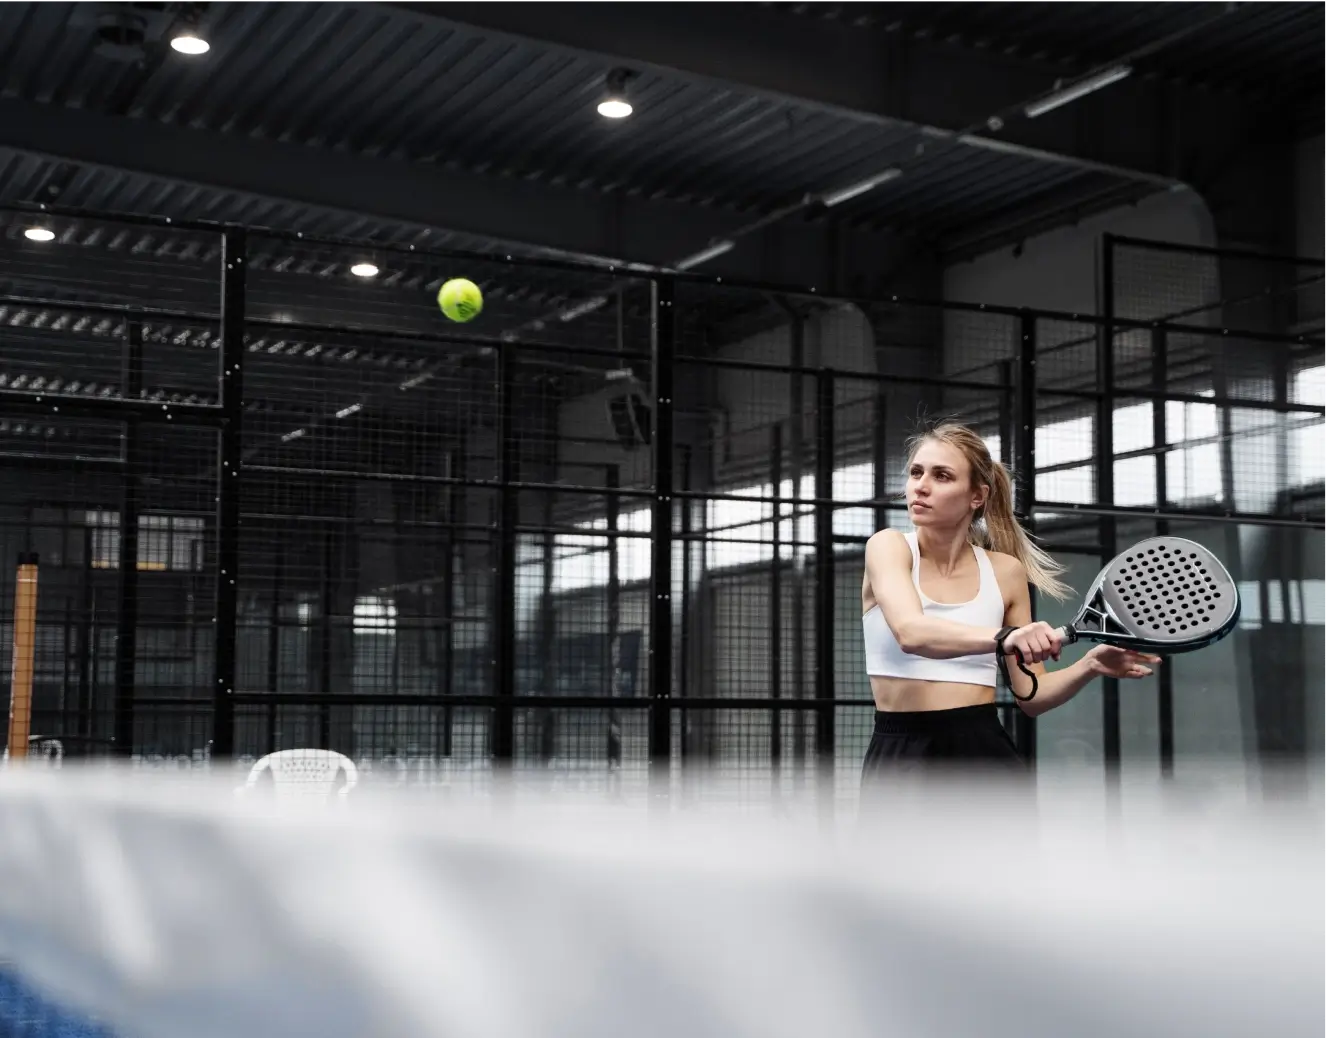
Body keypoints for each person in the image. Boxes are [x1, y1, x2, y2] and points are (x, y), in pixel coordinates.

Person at [860, 421, 1159, 788]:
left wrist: (1090, 664)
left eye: (942, 476)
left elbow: (1031, 696)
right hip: (899, 755)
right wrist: (1006, 637)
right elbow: (911, 632)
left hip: (985, 754)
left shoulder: (1005, 572)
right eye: (916, 472)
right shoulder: (888, 546)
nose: (920, 486)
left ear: (977, 496)